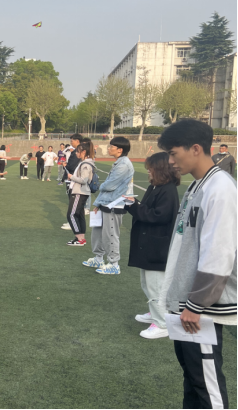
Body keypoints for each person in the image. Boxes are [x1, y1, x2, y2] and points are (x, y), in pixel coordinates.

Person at [157, 119, 238, 409]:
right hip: (187, 302)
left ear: (195, 149)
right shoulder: (196, 186)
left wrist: (196, 304)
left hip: (202, 308)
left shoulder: (220, 188)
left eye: (173, 153)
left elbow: (220, 252)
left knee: (207, 386)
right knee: (193, 380)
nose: (170, 161)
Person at [123, 152, 180, 340]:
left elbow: (158, 216)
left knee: (156, 286)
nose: (148, 171)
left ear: (161, 170)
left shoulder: (168, 190)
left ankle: (162, 323)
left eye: (151, 169)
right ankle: (155, 312)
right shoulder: (155, 187)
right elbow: (147, 210)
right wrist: (133, 204)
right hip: (148, 243)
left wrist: (134, 206)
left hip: (157, 245)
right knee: (147, 283)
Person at [83, 137, 134, 275]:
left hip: (115, 204)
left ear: (120, 150)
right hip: (106, 202)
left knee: (110, 235)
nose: (108, 148)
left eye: (111, 146)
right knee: (98, 233)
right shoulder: (119, 163)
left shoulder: (124, 164)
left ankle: (114, 264)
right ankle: (99, 258)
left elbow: (109, 186)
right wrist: (98, 203)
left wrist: (100, 185)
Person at [65, 142, 95, 247]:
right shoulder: (85, 163)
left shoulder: (85, 164)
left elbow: (83, 180)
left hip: (80, 192)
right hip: (81, 191)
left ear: (83, 152)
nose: (76, 153)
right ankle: (81, 238)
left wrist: (71, 177)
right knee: (79, 214)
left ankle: (79, 238)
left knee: (71, 215)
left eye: (78, 151)